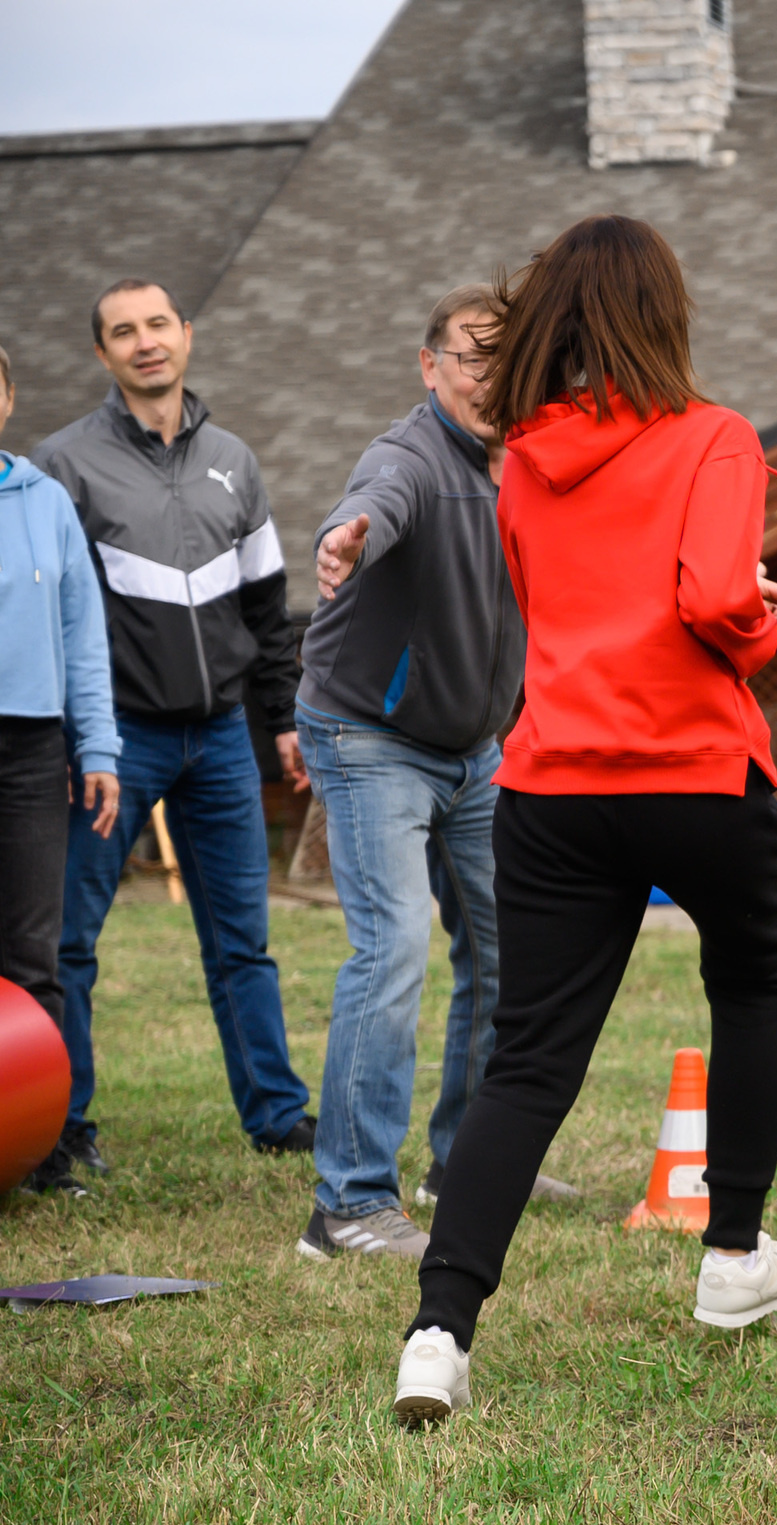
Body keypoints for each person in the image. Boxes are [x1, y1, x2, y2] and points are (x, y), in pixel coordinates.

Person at [392, 216, 777, 1427]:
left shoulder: (522, 456)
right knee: (749, 984)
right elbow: (714, 598)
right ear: (664, 314)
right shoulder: (715, 436)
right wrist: (759, 625)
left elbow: (566, 600)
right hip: (693, 772)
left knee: (528, 1058)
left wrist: (724, 607)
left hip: (552, 784)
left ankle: (437, 1331)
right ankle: (732, 1255)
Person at [292, 284, 575, 1264]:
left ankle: (467, 1159)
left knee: (509, 951)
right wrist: (347, 535)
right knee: (394, 949)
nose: (490, 380)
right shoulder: (409, 455)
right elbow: (375, 498)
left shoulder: (535, 465)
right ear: (430, 366)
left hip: (476, 747)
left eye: (509, 360)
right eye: (471, 358)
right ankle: (348, 1206)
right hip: (370, 735)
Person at [35, 279, 313, 1171]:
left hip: (225, 735)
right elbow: (48, 615)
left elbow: (270, 609)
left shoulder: (235, 457)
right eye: (124, 332)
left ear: (185, 335)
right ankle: (62, 1129)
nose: (145, 342)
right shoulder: (62, 466)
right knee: (70, 943)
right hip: (115, 739)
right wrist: (79, 738)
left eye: (158, 324)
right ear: (102, 354)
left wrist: (283, 722)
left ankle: (277, 1115)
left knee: (244, 943)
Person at [0, 342, 122, 1195]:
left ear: (7, 397)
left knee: (30, 955)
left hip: (31, 749)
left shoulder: (43, 501)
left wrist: (101, 746)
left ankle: (29, 1149)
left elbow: (84, 636)